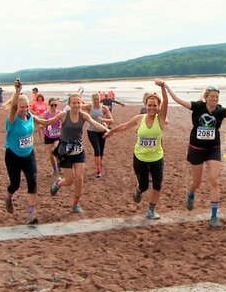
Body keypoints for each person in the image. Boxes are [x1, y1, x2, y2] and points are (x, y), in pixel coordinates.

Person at [164, 83, 226, 228]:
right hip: (196, 149)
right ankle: (191, 193)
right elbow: (178, 100)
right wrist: (166, 86)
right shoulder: (198, 107)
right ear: (206, 97)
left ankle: (214, 217)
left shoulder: (220, 111)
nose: (214, 99)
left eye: (217, 97)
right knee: (197, 182)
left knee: (214, 181)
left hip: (213, 149)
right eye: (212, 97)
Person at [104, 80, 169, 219]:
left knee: (157, 185)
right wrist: (112, 131)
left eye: (155, 105)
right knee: (144, 186)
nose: (152, 108)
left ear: (158, 107)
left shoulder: (161, 119)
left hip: (156, 157)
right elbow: (125, 126)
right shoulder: (139, 118)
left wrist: (163, 87)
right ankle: (139, 190)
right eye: (149, 105)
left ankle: (151, 210)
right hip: (140, 157)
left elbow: (166, 102)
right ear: (145, 105)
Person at [47, 93, 108, 213]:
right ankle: (59, 183)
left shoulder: (84, 115)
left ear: (81, 103)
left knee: (79, 178)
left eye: (78, 103)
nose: (76, 105)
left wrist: (106, 129)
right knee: (69, 181)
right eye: (74, 103)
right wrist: (34, 118)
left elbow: (95, 123)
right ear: (69, 104)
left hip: (79, 151)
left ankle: (75, 204)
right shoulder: (63, 115)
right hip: (65, 152)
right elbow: (48, 122)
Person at [2, 79, 50, 225]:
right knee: (15, 184)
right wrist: (17, 91)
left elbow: (44, 122)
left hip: (29, 154)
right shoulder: (12, 119)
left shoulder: (30, 117)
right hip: (13, 156)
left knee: (32, 181)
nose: (25, 109)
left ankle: (31, 213)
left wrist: (61, 118)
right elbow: (13, 108)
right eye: (22, 107)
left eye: (27, 106)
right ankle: (8, 197)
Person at [83, 93, 113, 178]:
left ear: (100, 99)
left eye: (98, 99)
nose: (96, 101)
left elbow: (111, 120)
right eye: (94, 99)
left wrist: (103, 119)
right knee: (97, 150)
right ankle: (98, 169)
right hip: (91, 131)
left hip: (102, 131)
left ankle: (100, 165)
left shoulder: (104, 108)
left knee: (101, 151)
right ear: (92, 100)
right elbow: (78, 107)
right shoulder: (89, 107)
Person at [42, 97, 62, 176]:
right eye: (52, 105)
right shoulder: (46, 114)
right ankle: (54, 169)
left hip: (58, 136)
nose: (54, 107)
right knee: (50, 155)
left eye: (55, 105)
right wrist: (44, 126)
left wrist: (61, 126)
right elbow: (42, 124)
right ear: (49, 105)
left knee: (56, 151)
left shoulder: (60, 113)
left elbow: (64, 121)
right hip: (48, 136)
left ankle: (59, 167)